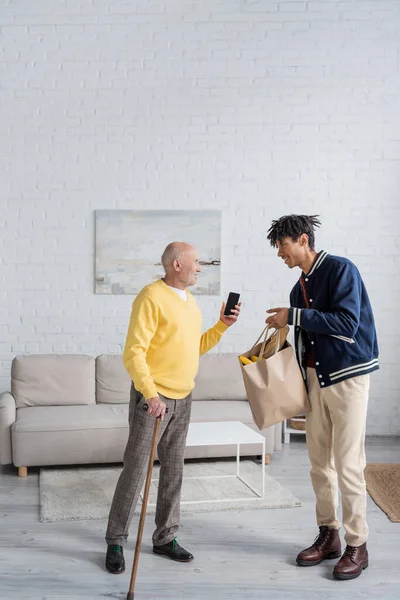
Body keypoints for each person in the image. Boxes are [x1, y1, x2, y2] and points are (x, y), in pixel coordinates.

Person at [105, 242, 241, 574]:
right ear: (177, 264)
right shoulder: (150, 297)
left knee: (174, 472)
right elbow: (133, 352)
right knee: (136, 471)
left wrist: (222, 325)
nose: (199, 267)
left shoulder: (190, 302)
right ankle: (115, 541)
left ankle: (165, 538)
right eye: (196, 262)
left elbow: (194, 348)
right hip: (154, 400)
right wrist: (150, 394)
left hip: (184, 397)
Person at [265, 214, 379, 581]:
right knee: (319, 463)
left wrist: (294, 316)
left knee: (348, 464)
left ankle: (357, 544)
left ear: (302, 239)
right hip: (315, 380)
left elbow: (348, 324)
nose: (279, 253)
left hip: (347, 379)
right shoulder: (297, 289)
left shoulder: (341, 270)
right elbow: (305, 334)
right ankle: (329, 534)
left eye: (282, 245)